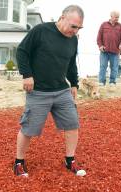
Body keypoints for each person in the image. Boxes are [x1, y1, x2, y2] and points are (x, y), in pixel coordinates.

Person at [13, 5, 86, 177]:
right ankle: (18, 162)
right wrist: (27, 75)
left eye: (79, 28)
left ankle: (70, 160)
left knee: (72, 124)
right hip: (38, 91)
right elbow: (22, 51)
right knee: (29, 128)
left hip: (61, 91)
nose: (75, 31)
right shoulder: (40, 31)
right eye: (73, 26)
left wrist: (74, 84)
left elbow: (71, 63)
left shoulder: (73, 39)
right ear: (62, 18)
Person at [97, 11, 121, 86]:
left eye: (118, 17)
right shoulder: (104, 25)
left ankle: (112, 82)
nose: (117, 19)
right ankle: (101, 82)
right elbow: (99, 38)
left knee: (114, 67)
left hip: (115, 51)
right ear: (111, 16)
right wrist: (100, 46)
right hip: (104, 51)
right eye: (116, 17)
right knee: (103, 66)